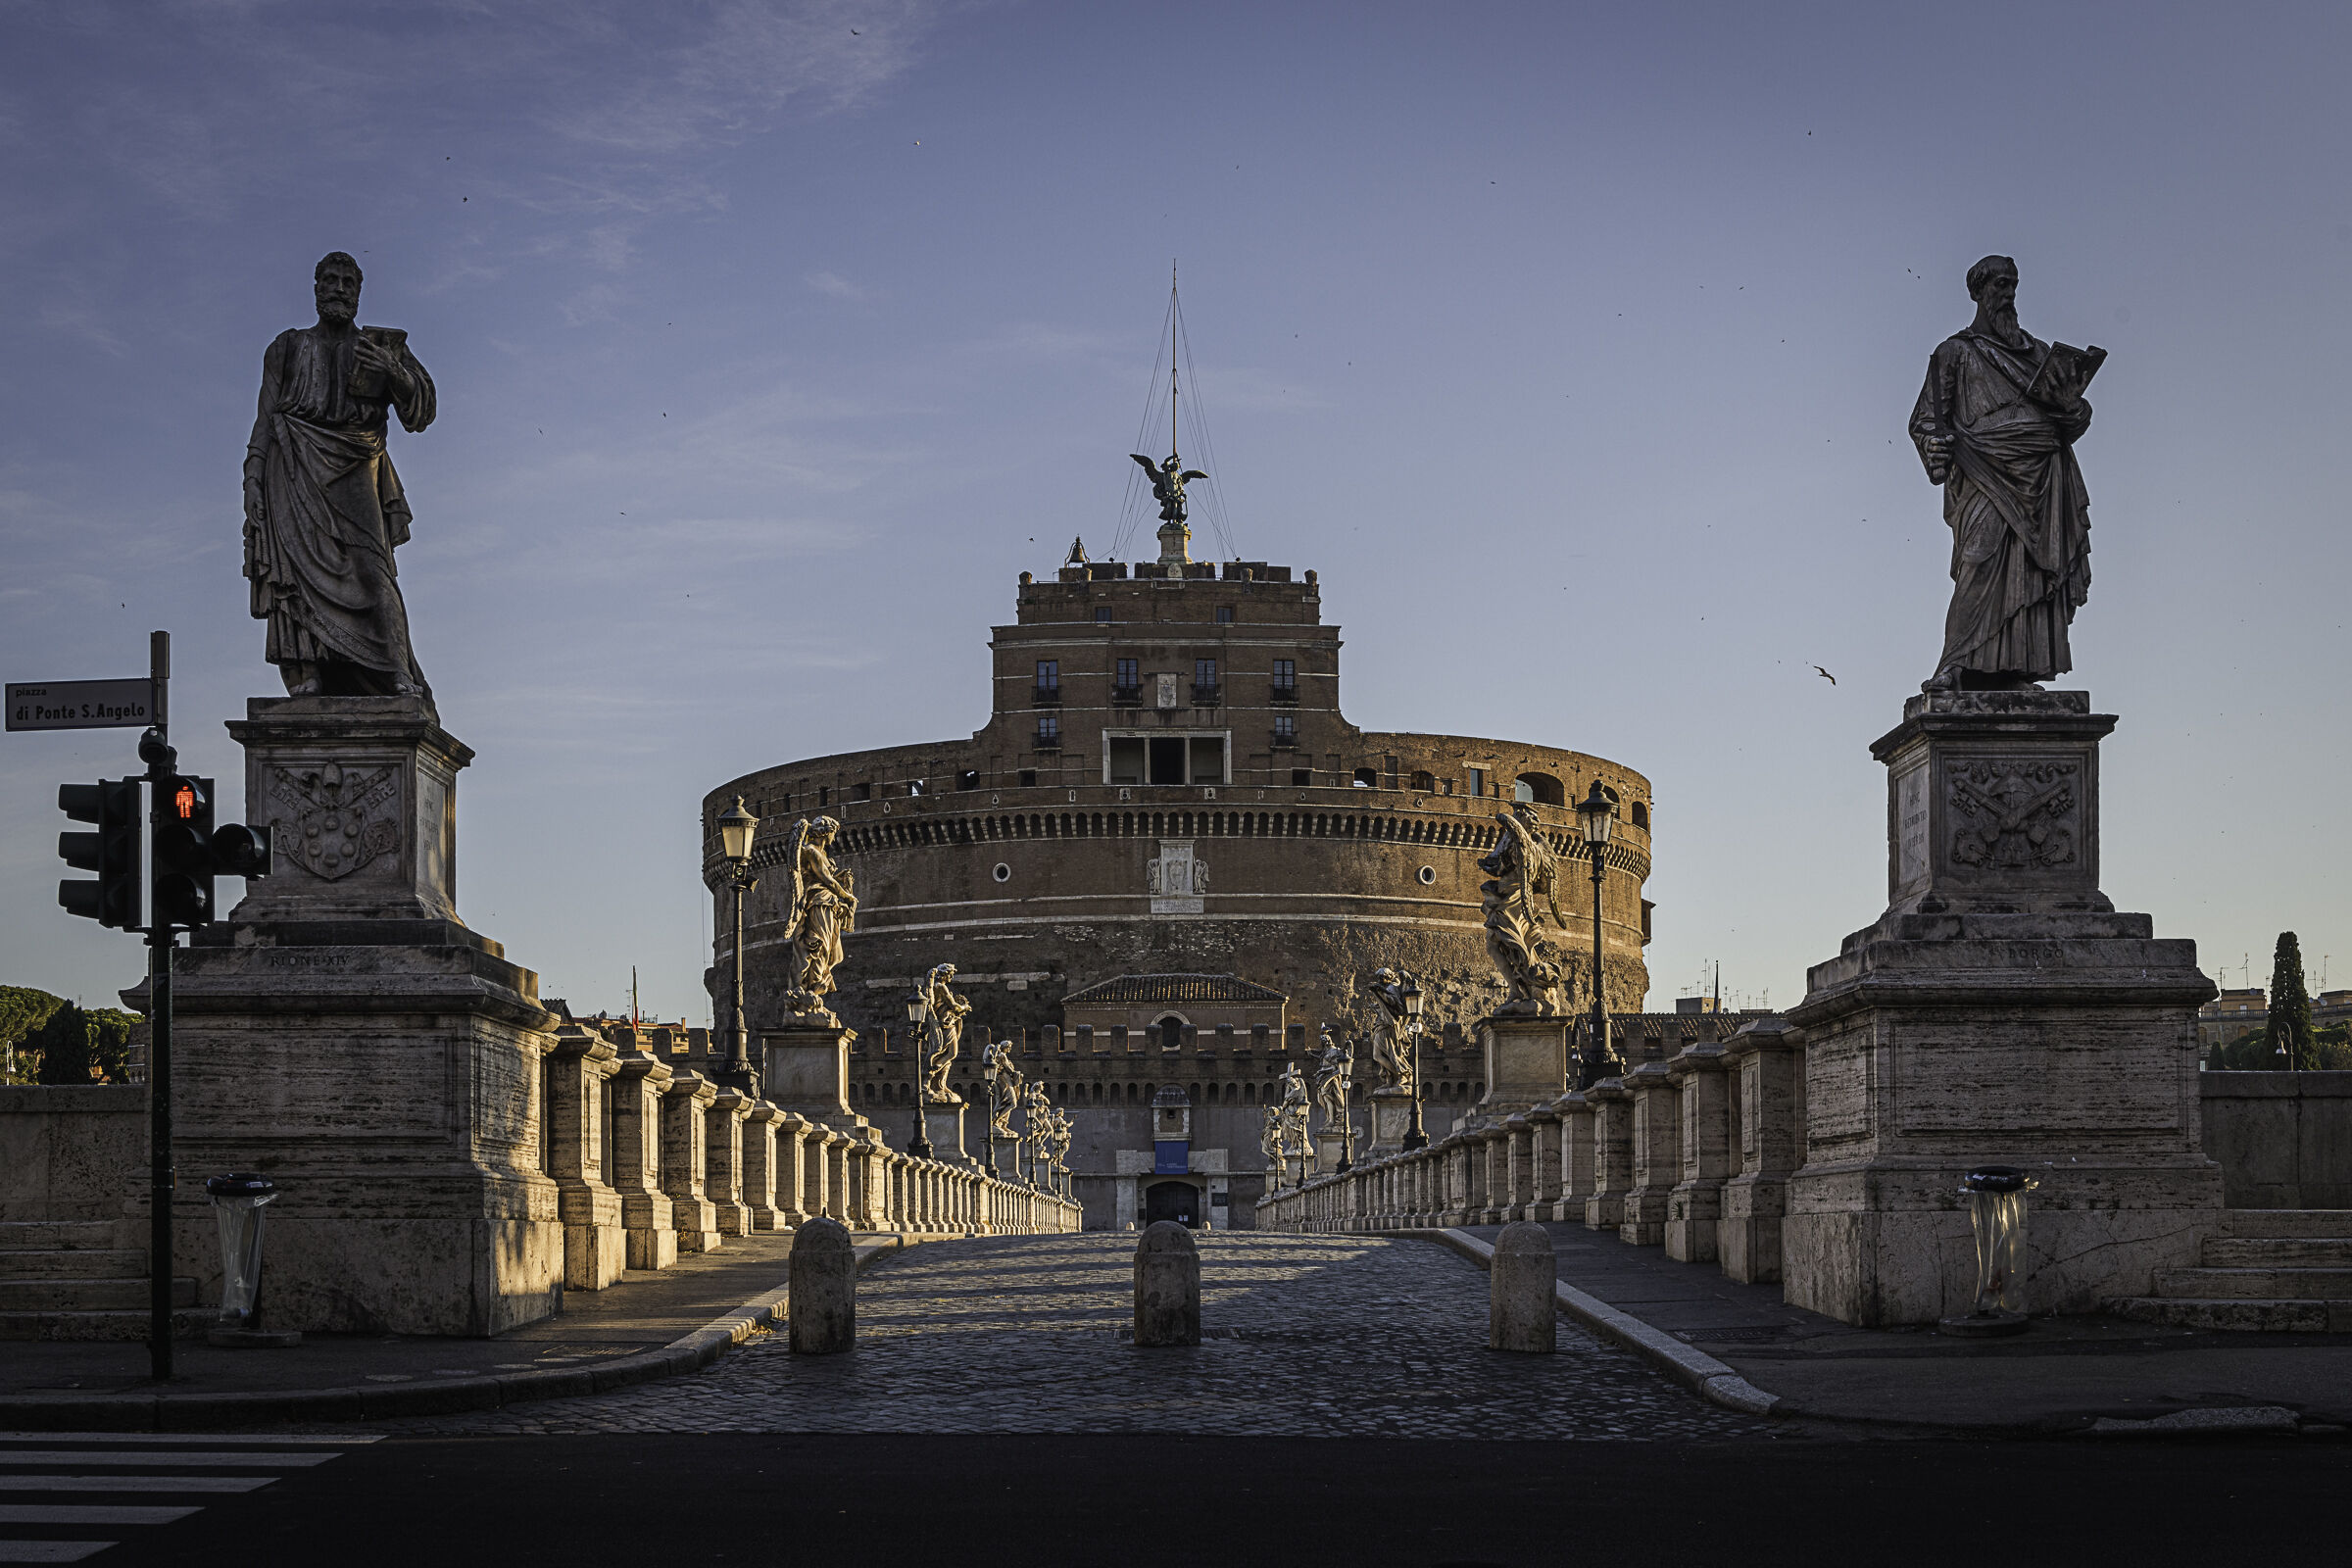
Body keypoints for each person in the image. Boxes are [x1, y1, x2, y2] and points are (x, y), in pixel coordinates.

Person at [243, 252, 436, 700]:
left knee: (374, 569)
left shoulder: (380, 348)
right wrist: (251, 477)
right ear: (315, 287)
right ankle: (307, 669)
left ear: (359, 292)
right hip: (291, 469)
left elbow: (421, 411)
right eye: (330, 279)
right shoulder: (286, 348)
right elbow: (264, 418)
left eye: (349, 281)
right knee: (295, 570)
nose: (339, 288)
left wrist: (392, 371)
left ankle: (395, 670)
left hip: (356, 466)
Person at [1909, 255, 2097, 689]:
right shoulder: (1954, 353)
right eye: (1999, 285)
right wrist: (1933, 445)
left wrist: (2074, 406)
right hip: (1984, 472)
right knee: (1981, 558)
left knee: (2030, 570)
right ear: (1977, 292)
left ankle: (2016, 669)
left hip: (2043, 476)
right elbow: (1925, 420)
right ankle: (1953, 665)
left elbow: (2073, 420)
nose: (2008, 293)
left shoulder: (2039, 354)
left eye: (2012, 284)